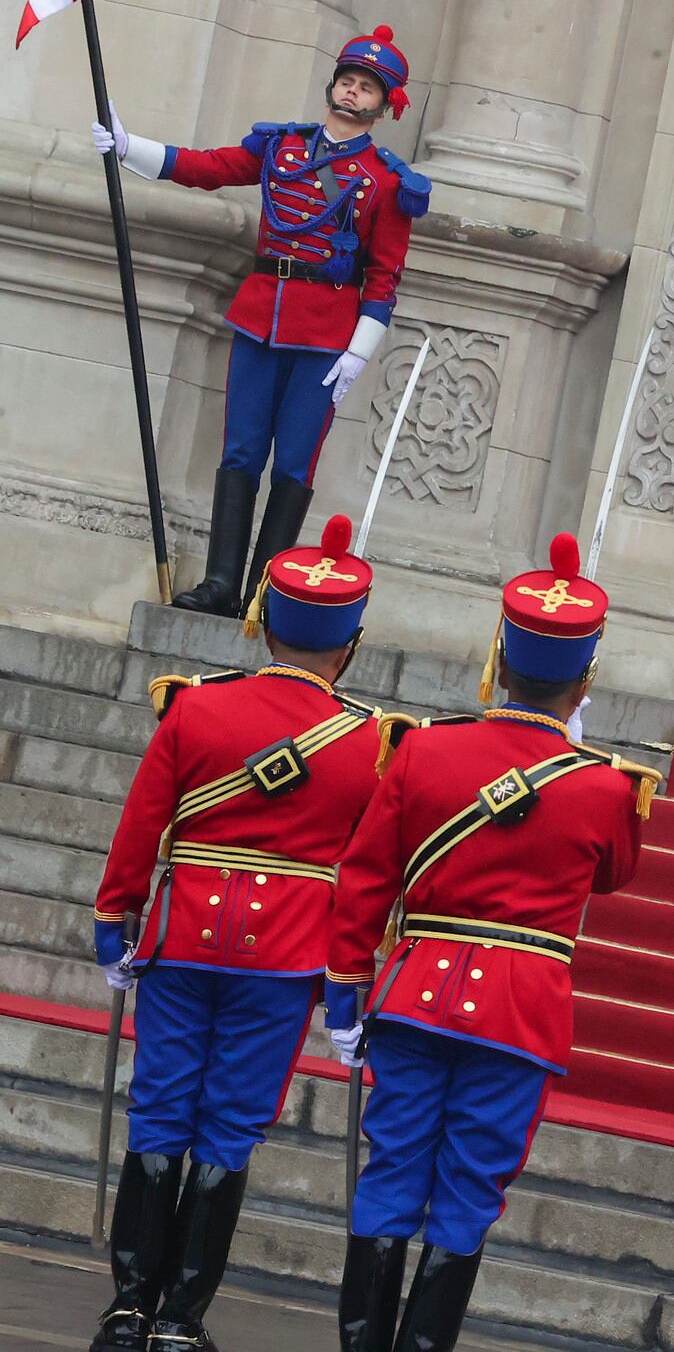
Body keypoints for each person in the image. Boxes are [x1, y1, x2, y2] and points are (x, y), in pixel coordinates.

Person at [323, 533, 656, 1352]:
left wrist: (344, 987)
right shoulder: (605, 785)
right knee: (470, 1190)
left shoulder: (424, 749)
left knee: (392, 1170)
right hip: (521, 1009)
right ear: (586, 679)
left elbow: (366, 876)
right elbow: (614, 872)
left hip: (413, 991)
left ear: (499, 659)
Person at [86, 516, 384, 1352]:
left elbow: (141, 823)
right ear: (349, 646)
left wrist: (117, 919)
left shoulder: (197, 705)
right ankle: (180, 1321)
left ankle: (126, 1310)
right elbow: (365, 875)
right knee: (227, 1129)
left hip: (183, 940)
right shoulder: (368, 743)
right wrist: (347, 977)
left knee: (159, 1113)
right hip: (285, 958)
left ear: (265, 617)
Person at [93, 25, 429, 617]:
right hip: (261, 318)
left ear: (385, 106)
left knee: (295, 463)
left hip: (327, 337)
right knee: (241, 451)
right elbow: (209, 166)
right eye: (346, 82)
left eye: (366, 88)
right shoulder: (282, 147)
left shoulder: (388, 182)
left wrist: (358, 350)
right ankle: (223, 584)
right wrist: (128, 147)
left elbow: (384, 277)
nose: (353, 93)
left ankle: (262, 595)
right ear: (332, 88)